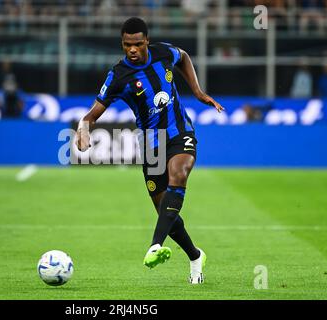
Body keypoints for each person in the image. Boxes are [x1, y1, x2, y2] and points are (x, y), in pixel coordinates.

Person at [75, 17, 224, 284]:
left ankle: (155, 245)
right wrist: (83, 129)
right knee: (166, 212)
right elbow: (92, 114)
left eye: (137, 44)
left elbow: (184, 57)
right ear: (122, 43)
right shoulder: (118, 75)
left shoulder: (163, 52)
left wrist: (198, 92)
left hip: (180, 133)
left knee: (179, 174)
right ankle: (195, 256)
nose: (132, 49)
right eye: (126, 45)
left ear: (147, 41)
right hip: (151, 147)